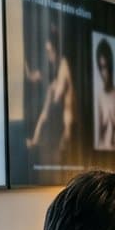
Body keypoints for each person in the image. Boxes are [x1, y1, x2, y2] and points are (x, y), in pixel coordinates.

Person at [26, 23, 77, 165]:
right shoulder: (55, 71)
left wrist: (50, 87)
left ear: (56, 49)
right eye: (47, 52)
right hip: (62, 125)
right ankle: (35, 140)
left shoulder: (64, 65)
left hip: (69, 125)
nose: (49, 56)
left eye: (50, 51)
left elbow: (59, 97)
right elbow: (45, 112)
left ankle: (37, 140)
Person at [93, 39, 115, 153]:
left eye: (106, 67)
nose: (104, 73)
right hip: (104, 149)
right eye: (101, 68)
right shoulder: (100, 96)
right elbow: (99, 137)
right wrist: (105, 123)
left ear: (111, 66)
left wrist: (114, 121)